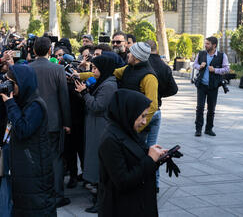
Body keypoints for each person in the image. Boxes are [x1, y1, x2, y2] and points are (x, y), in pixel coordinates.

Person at [98, 89, 167, 217]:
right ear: (128, 112)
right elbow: (123, 181)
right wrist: (150, 160)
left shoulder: (127, 130)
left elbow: (135, 159)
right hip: (122, 208)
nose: (144, 122)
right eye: (142, 116)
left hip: (137, 203)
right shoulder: (110, 140)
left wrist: (156, 156)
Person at [0, 65, 56, 216]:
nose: (8, 85)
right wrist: (1, 100)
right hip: (15, 159)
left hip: (32, 164)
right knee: (12, 200)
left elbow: (23, 130)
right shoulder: (19, 100)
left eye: (11, 82)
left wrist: (10, 104)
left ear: (23, 82)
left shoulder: (36, 104)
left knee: (33, 206)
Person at [29, 37, 72, 208]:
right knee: (56, 158)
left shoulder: (28, 68)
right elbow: (64, 97)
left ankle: (37, 192)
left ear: (33, 51)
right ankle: (57, 195)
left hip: (33, 121)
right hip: (54, 121)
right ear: (49, 51)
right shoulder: (58, 69)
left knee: (35, 157)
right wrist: (67, 122)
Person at [74, 55, 117, 213]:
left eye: (95, 68)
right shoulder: (104, 82)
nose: (92, 71)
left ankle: (102, 201)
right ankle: (99, 197)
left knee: (100, 165)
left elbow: (98, 106)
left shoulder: (109, 86)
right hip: (96, 127)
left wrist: (84, 93)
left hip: (101, 128)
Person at [145, 39, 178, 192]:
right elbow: (173, 89)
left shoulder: (143, 64)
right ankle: (155, 184)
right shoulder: (164, 67)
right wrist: (159, 95)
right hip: (157, 109)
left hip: (143, 112)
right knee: (154, 147)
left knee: (141, 148)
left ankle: (144, 182)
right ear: (157, 49)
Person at [193, 36, 229, 137]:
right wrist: (199, 66)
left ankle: (209, 129)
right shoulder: (201, 54)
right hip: (202, 85)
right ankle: (198, 129)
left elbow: (226, 69)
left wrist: (215, 70)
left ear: (214, 45)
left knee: (211, 109)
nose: (205, 45)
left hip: (213, 86)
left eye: (208, 44)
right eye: (205, 43)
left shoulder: (222, 56)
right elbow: (194, 64)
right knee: (200, 108)